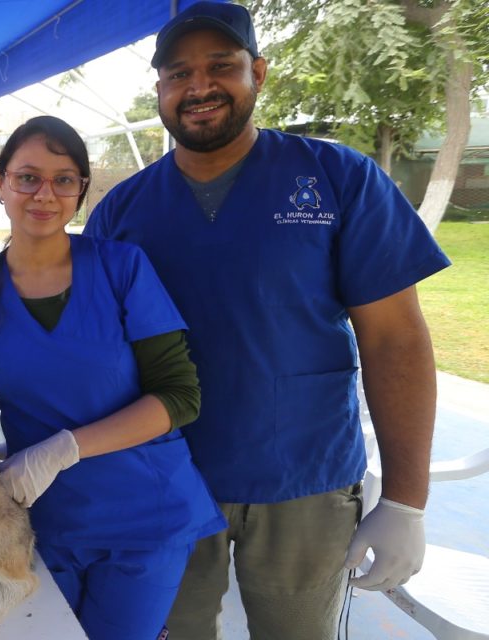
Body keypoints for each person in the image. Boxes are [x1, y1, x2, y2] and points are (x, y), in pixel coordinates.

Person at [83, 4, 451, 638]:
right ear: (161, 91)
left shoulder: (338, 179)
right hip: (166, 484)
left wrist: (405, 501)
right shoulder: (123, 211)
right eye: (178, 74)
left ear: (258, 72)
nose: (198, 87)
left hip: (303, 484)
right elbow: (92, 357)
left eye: (220, 66)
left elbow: (396, 340)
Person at [0, 115, 224, 640]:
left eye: (64, 179)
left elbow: (180, 396)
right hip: (40, 521)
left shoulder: (122, 269)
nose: (45, 193)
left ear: (81, 191)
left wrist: (62, 448)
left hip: (145, 514)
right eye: (28, 177)